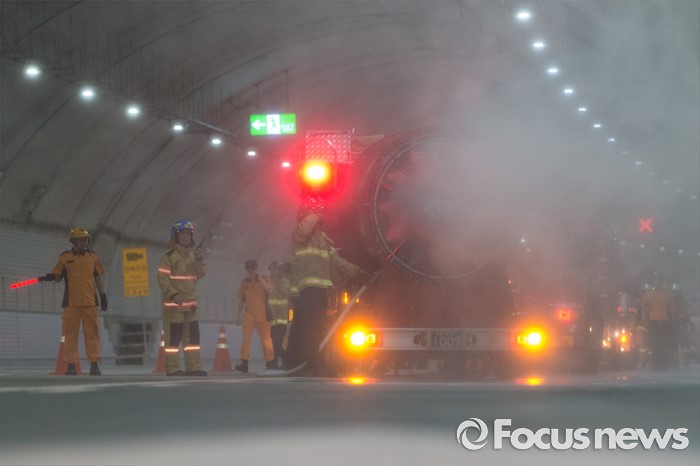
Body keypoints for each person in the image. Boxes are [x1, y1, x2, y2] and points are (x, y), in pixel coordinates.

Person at [284, 206, 371, 375]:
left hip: (319, 292)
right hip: (306, 292)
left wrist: (358, 272)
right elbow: (305, 229)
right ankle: (307, 364)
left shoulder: (323, 240)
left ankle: (300, 363)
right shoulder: (299, 236)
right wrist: (315, 214)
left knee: (312, 329)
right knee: (308, 329)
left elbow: (338, 262)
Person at [38, 227, 107, 375]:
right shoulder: (64, 258)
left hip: (90, 302)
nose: (84, 243)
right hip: (71, 303)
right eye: (81, 240)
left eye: (85, 240)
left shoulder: (93, 257)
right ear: (74, 242)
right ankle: (70, 365)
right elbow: (57, 276)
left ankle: (94, 365)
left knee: (92, 334)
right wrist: (50, 276)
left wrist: (103, 296)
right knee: (70, 334)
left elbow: (98, 278)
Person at [157, 219, 207, 376]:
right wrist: (174, 295)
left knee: (192, 340)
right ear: (175, 236)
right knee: (173, 339)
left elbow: (201, 274)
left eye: (188, 233)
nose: (185, 236)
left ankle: (194, 368)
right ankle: (172, 369)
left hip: (190, 307)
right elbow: (163, 280)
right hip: (174, 307)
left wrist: (199, 259)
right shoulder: (168, 257)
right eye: (182, 233)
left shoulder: (193, 256)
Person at [234, 260, 276, 373]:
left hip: (263, 315)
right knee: (246, 339)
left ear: (257, 269)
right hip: (249, 315)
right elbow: (241, 300)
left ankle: (270, 363)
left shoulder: (265, 279)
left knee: (266, 340)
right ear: (246, 270)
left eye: (253, 269)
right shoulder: (245, 283)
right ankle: (244, 363)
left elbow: (270, 290)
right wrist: (238, 315)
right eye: (249, 270)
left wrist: (260, 279)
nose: (251, 272)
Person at [640, 274, 675, 370]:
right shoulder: (648, 294)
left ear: (662, 282)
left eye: (659, 281)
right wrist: (644, 320)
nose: (657, 283)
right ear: (653, 282)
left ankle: (665, 363)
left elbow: (671, 309)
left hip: (664, 323)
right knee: (653, 344)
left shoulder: (667, 294)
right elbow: (643, 308)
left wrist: (672, 321)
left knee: (664, 344)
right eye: (656, 281)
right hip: (653, 323)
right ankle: (654, 364)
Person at [267, 261, 291, 369]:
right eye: (272, 269)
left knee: (278, 342)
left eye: (276, 269)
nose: (273, 271)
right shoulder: (268, 281)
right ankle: (276, 362)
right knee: (274, 342)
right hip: (272, 317)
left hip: (282, 317)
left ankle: (282, 360)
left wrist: (277, 284)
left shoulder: (285, 282)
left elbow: (287, 293)